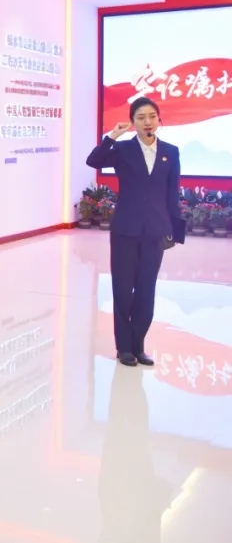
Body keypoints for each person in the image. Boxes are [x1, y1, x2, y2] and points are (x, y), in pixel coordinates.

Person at [85, 97, 181, 367]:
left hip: (155, 231)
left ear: (159, 119)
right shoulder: (123, 149)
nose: (147, 122)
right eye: (140, 117)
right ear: (132, 122)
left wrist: (174, 231)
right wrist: (112, 136)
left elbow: (172, 193)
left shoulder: (170, 152)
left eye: (151, 116)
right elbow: (94, 161)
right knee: (123, 289)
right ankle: (124, 348)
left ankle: (138, 346)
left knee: (146, 290)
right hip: (125, 229)